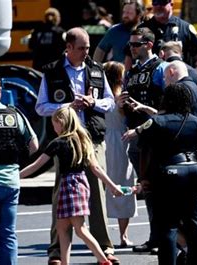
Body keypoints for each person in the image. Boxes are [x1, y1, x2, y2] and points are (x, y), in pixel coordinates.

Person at [35, 27, 119, 265]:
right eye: (81, 48)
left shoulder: (96, 69)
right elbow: (41, 107)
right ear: (68, 47)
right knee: (61, 195)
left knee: (98, 195)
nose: (86, 52)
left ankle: (106, 248)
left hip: (92, 137)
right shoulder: (51, 72)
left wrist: (94, 102)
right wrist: (68, 107)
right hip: (66, 141)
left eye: (88, 48)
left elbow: (110, 103)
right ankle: (56, 252)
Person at [20, 107, 123, 265]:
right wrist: (112, 185)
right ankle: (66, 262)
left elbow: (37, 165)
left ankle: (103, 260)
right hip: (81, 184)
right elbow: (96, 168)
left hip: (67, 185)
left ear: (61, 122)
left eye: (54, 124)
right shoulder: (83, 139)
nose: (54, 128)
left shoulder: (58, 142)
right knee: (63, 228)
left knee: (79, 229)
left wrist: (17, 176)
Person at [135, 83, 197, 265]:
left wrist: (144, 177)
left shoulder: (156, 122)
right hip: (196, 171)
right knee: (196, 223)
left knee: (168, 226)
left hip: (169, 174)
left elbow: (145, 152)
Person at [0, 71, 39, 265]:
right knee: (8, 235)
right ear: (0, 90)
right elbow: (34, 144)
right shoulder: (14, 113)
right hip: (11, 182)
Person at [121, 26, 167, 255]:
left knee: (158, 191)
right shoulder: (132, 71)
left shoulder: (160, 68)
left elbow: (165, 108)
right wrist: (123, 104)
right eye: (130, 44)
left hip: (152, 137)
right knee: (148, 190)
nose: (131, 48)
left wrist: (143, 112)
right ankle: (154, 237)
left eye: (136, 44)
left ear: (149, 45)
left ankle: (164, 239)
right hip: (135, 136)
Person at [102, 61, 138, 247]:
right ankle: (123, 235)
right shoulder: (121, 98)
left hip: (103, 141)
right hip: (120, 142)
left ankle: (102, 235)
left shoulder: (100, 97)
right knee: (123, 184)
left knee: (104, 189)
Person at [137, 0, 197, 70]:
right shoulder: (143, 28)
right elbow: (130, 54)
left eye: (162, 3)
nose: (158, 6)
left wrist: (195, 73)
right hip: (149, 78)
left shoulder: (185, 28)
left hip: (178, 76)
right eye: (155, 2)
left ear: (171, 4)